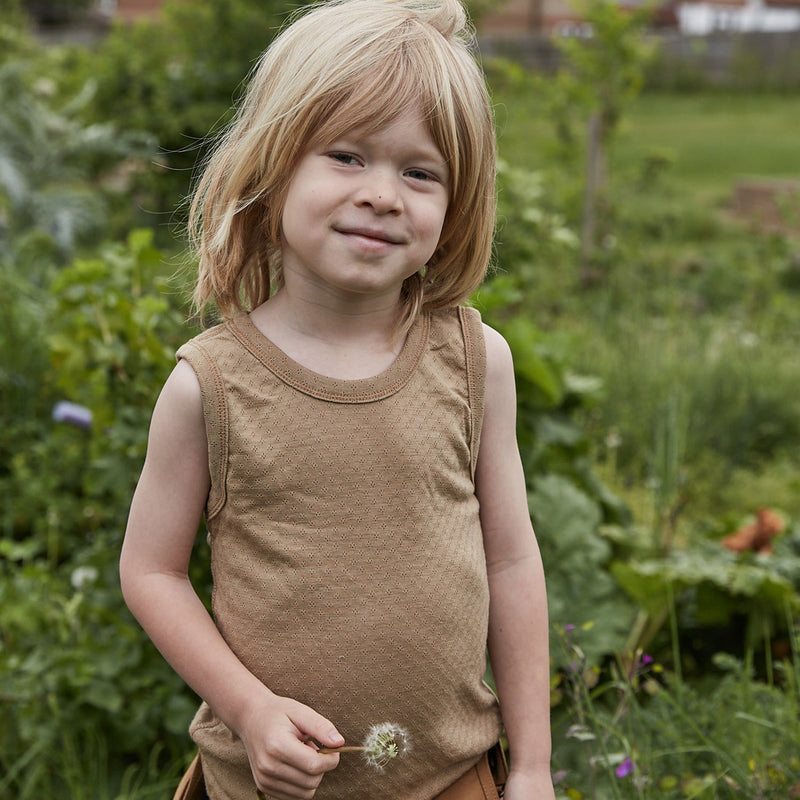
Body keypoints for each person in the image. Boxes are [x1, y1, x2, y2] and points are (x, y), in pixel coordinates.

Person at [119, 0, 555, 797]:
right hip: (271, 785)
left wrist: (531, 766)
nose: (384, 195)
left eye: (420, 172)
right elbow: (151, 572)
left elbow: (512, 559)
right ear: (274, 166)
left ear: (455, 203)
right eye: (347, 156)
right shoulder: (209, 386)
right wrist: (249, 711)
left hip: (453, 778)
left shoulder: (474, 362)